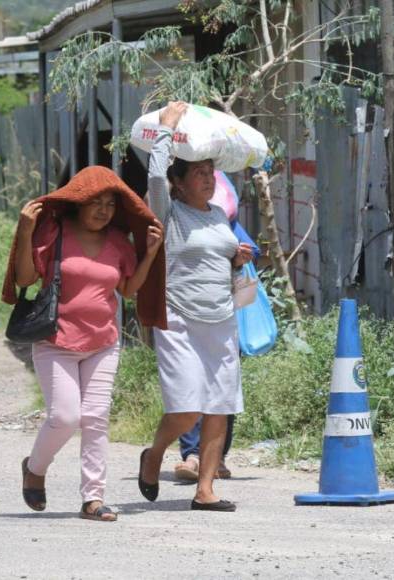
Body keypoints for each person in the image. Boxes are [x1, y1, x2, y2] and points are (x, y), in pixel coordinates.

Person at [3, 166, 164, 522]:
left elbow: (127, 290)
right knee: (64, 416)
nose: (104, 210)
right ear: (77, 203)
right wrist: (27, 231)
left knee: (95, 419)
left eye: (110, 203)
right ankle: (34, 467)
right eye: (96, 202)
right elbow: (26, 278)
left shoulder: (120, 242)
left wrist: (150, 253)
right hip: (55, 341)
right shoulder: (54, 231)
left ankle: (93, 498)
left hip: (103, 343)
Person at [138, 101, 253, 512]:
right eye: (200, 174)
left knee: (219, 407)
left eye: (211, 173)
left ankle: (205, 489)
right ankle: (153, 454)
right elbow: (154, 176)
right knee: (186, 409)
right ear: (180, 183)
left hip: (221, 321)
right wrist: (166, 129)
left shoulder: (220, 214)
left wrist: (236, 257)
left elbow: (219, 254)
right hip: (179, 320)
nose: (208, 179)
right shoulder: (167, 213)